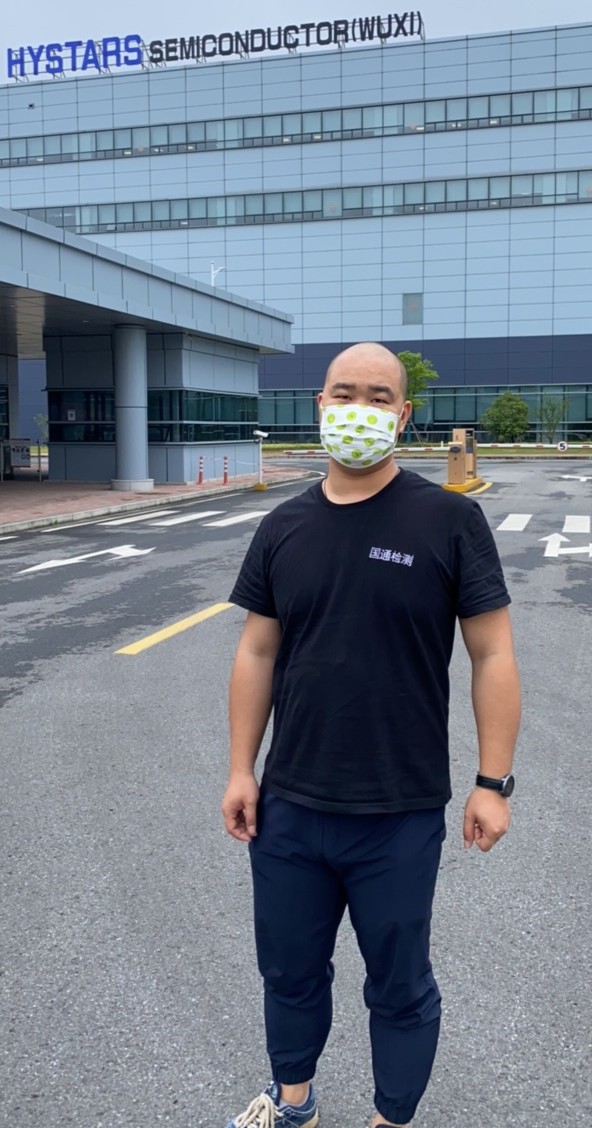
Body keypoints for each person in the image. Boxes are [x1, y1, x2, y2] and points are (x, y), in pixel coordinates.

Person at [222, 342, 521, 1128]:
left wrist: (493, 782)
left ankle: (391, 1118)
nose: (360, 408)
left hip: (398, 810)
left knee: (398, 984)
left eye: (379, 396)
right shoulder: (283, 526)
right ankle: (293, 1105)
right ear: (320, 406)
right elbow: (257, 652)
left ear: (404, 415)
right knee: (288, 970)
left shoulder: (449, 520)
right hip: (290, 806)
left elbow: (493, 653)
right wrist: (241, 769)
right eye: (345, 393)